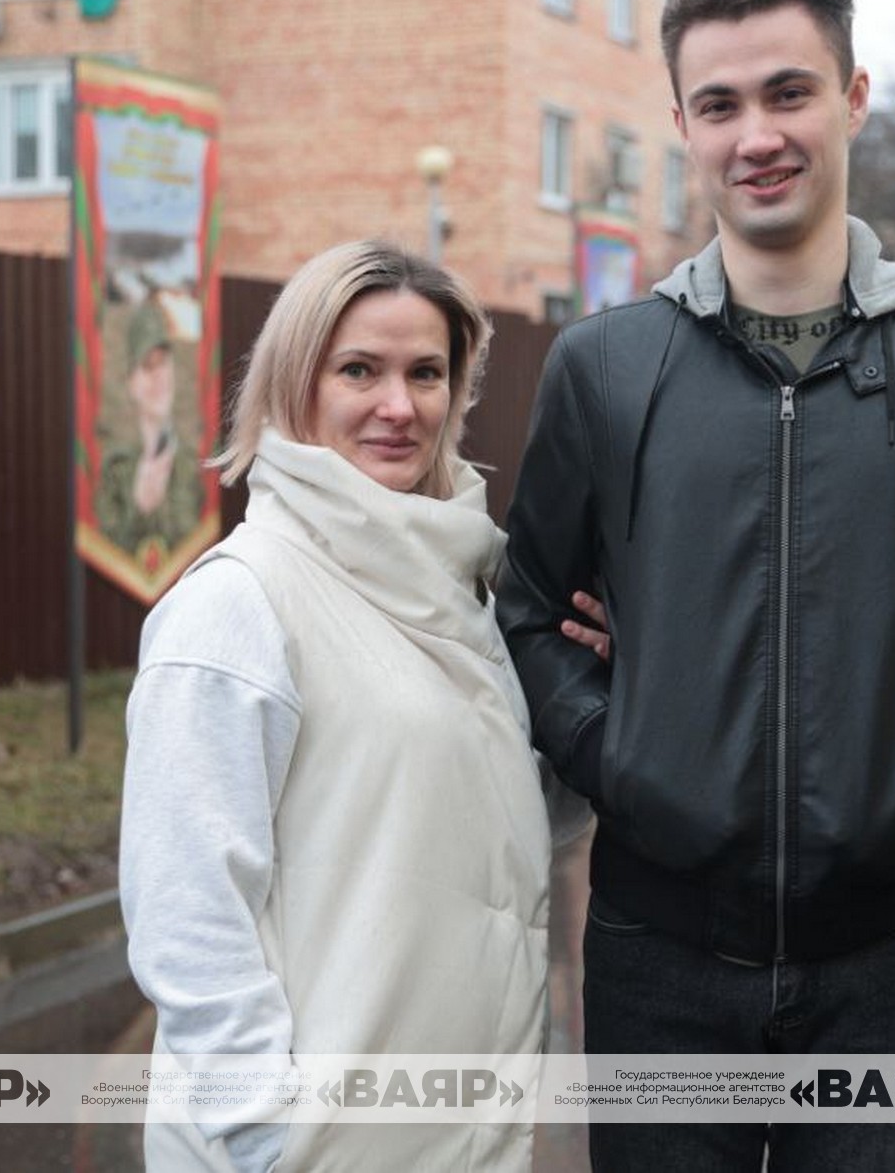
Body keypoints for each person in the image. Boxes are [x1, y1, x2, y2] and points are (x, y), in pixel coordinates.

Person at [496, 0, 895, 1171]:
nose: (755, 135)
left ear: (852, 96)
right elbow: (526, 608)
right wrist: (610, 752)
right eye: (719, 105)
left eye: (787, 92)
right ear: (680, 121)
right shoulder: (605, 367)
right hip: (653, 957)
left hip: (886, 960)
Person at [121, 242, 555, 1171]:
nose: (400, 406)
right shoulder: (240, 601)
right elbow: (187, 906)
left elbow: (478, 827)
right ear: (294, 386)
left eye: (426, 373)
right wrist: (266, 1135)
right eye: (360, 369)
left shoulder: (456, 587)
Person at [97, 300, 204, 556]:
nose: (158, 377)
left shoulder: (193, 464)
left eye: (163, 363)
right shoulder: (116, 469)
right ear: (132, 383)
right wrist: (140, 508)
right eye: (147, 366)